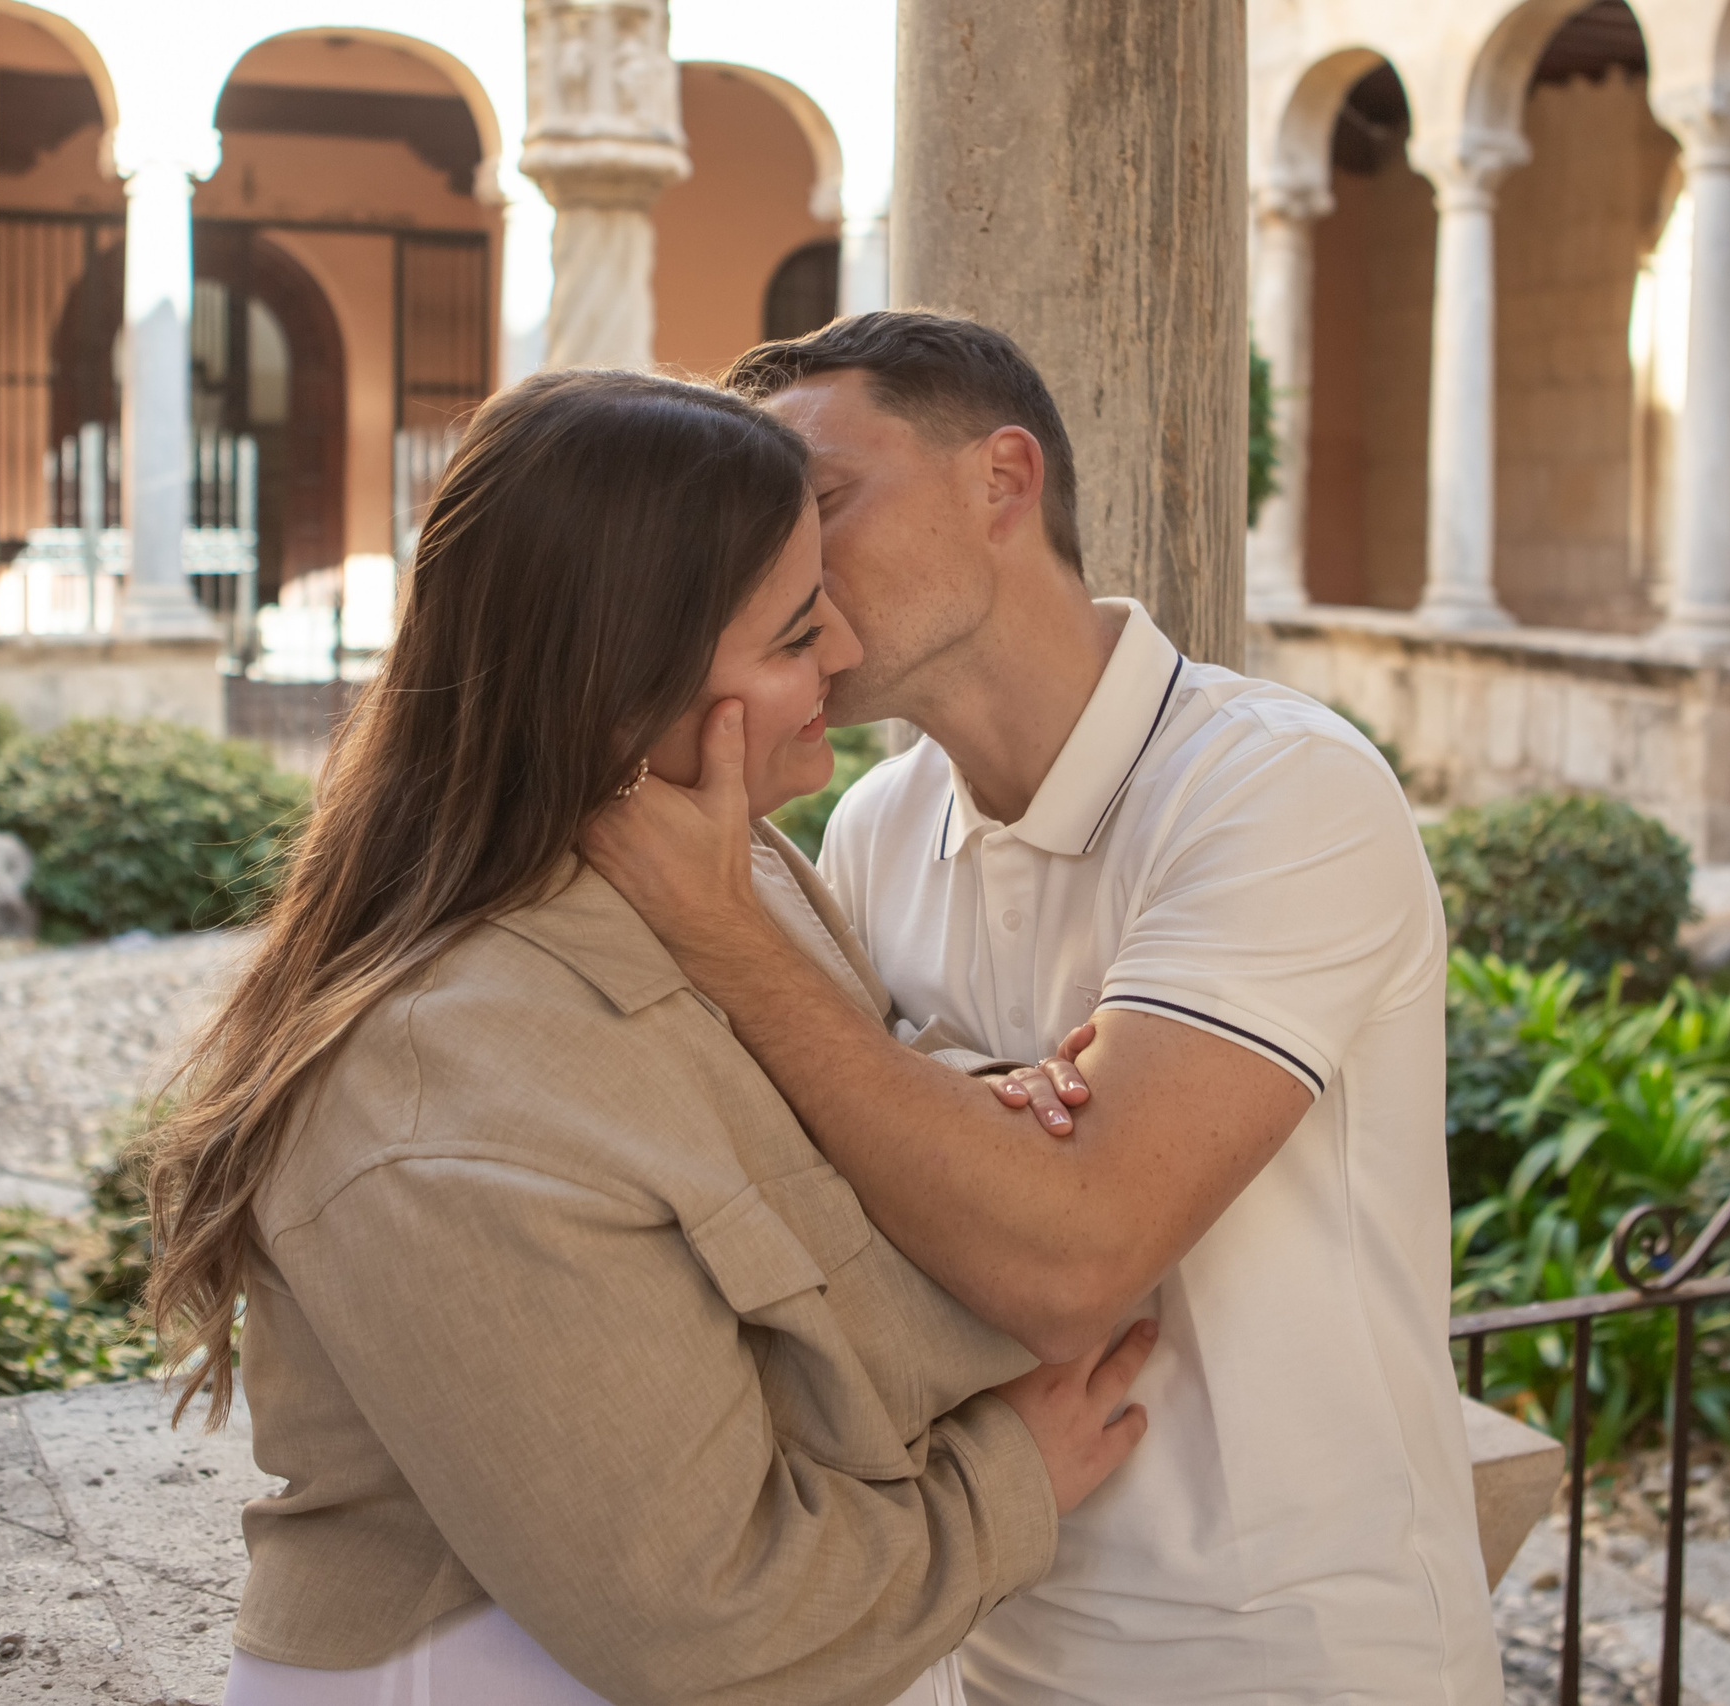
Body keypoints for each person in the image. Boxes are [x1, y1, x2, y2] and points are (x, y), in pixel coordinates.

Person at [138, 368, 1153, 1706]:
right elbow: (707, 1617)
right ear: (624, 680)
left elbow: (811, 1214)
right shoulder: (442, 1088)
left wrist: (972, 1116)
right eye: (795, 632)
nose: (844, 656)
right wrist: (1007, 1482)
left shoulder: (738, 884)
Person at [583, 312, 1503, 1703]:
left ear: (1001, 480)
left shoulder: (1276, 789)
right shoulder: (875, 832)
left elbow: (1073, 1257)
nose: (786, 567)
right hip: (993, 1646)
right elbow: (817, 1245)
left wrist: (731, 942)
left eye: (820, 503)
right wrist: (970, 1122)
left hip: (1296, 1655)